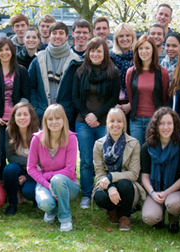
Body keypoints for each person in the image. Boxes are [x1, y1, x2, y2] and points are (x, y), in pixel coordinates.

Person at [72, 37, 121, 209]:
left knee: (107, 160)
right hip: (83, 122)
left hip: (104, 123)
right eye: (92, 50)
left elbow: (113, 98)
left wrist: (97, 115)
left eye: (99, 51)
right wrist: (87, 116)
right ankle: (86, 194)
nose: (95, 54)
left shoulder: (113, 73)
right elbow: (75, 98)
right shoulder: (80, 72)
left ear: (105, 53)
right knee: (86, 160)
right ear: (88, 52)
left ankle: (105, 191)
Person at [0, 37, 31, 181]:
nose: (4, 53)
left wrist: (15, 116)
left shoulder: (21, 70)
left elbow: (25, 96)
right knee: (0, 153)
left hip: (18, 120)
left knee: (17, 153)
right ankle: (1, 182)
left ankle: (22, 181)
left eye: (7, 49)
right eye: (1, 50)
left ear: (12, 51)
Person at [27, 104, 79, 231]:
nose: (54, 122)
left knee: (57, 180)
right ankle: (52, 209)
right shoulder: (37, 139)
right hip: (46, 183)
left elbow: (70, 170)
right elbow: (31, 167)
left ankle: (65, 218)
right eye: (50, 119)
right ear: (45, 121)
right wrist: (47, 184)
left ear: (63, 120)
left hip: (67, 183)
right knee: (46, 203)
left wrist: (48, 176)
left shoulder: (71, 138)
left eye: (57, 118)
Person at [93, 108, 145, 231]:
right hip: (106, 184)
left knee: (124, 184)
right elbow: (99, 173)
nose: (115, 124)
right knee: (99, 196)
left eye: (119, 121)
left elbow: (133, 174)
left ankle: (125, 216)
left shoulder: (134, 143)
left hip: (127, 184)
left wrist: (111, 177)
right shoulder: (98, 144)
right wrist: (110, 187)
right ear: (107, 123)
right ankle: (113, 211)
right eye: (112, 121)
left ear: (124, 124)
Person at [140, 107, 180, 234]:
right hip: (155, 189)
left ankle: (173, 220)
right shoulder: (147, 147)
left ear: (175, 125)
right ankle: (158, 217)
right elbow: (144, 176)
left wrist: (166, 192)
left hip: (175, 191)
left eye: (169, 123)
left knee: (174, 204)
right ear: (156, 126)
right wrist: (152, 193)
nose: (166, 127)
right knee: (149, 217)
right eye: (161, 123)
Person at [29, 22, 81, 123]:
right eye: (54, 33)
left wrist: (70, 110)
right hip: (42, 115)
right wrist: (36, 109)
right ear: (49, 36)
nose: (57, 36)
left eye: (61, 33)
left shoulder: (75, 61)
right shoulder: (38, 59)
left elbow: (78, 91)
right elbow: (31, 86)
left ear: (66, 36)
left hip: (66, 116)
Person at [125, 35, 170, 146]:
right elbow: (131, 97)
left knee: (153, 153)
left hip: (154, 120)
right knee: (136, 154)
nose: (143, 51)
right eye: (140, 48)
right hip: (136, 121)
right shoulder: (131, 72)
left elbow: (164, 98)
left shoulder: (162, 73)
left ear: (153, 50)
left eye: (147, 48)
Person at [3, 102, 40, 216]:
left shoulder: (38, 134)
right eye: (18, 115)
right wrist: (28, 164)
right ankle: (12, 204)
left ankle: (36, 199)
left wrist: (27, 176)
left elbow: (42, 163)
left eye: (25, 114)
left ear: (31, 116)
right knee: (9, 169)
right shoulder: (9, 131)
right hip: (20, 168)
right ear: (14, 117)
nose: (22, 117)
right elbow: (11, 157)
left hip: (36, 172)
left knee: (29, 192)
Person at [110, 23, 137, 109]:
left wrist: (130, 105)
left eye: (127, 35)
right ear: (116, 39)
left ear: (132, 37)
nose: (124, 39)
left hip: (134, 104)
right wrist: (113, 104)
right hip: (113, 104)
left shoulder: (139, 57)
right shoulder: (110, 58)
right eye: (121, 36)